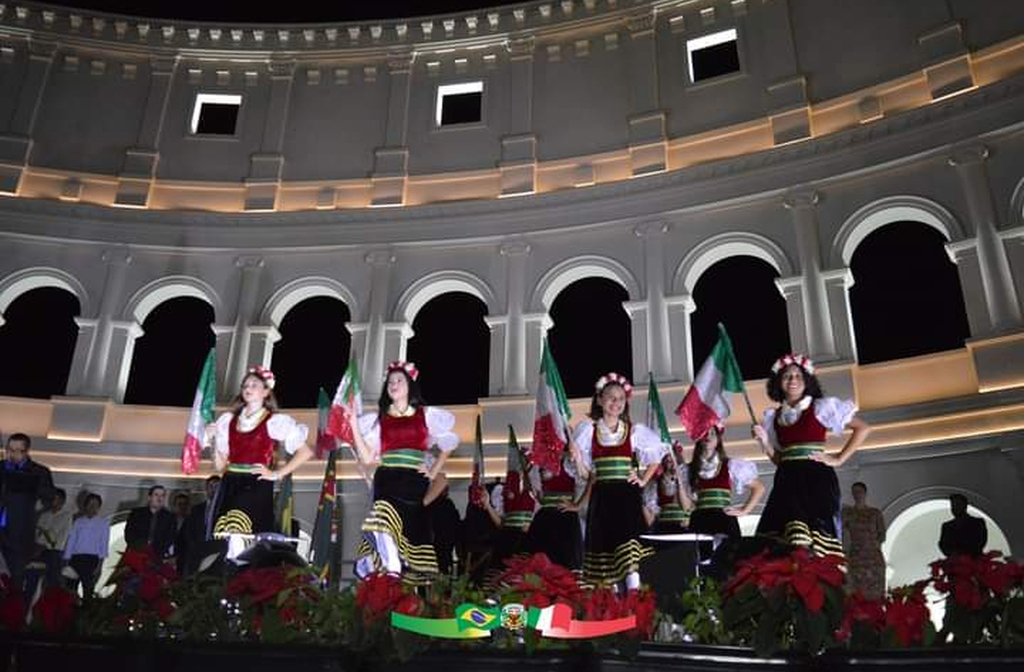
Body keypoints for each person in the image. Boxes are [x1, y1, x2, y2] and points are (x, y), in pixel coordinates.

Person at [345, 361, 459, 584]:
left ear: (410, 386)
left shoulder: (425, 415)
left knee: (405, 531)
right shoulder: (380, 419)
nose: (393, 384)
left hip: (412, 482)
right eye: (390, 381)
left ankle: (398, 571)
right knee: (381, 517)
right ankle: (392, 567)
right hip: (386, 479)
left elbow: (449, 443)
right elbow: (368, 457)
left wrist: (433, 470)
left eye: (399, 380)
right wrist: (353, 425)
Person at [752, 353, 870, 557]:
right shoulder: (774, 417)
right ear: (779, 382)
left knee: (814, 539)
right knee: (783, 538)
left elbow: (863, 428)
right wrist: (766, 443)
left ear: (807, 381)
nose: (793, 380)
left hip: (816, 478)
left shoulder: (821, 407)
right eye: (787, 376)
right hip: (787, 480)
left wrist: (838, 458)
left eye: (798, 376)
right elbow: (780, 461)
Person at [573, 373, 668, 590]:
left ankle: (635, 601)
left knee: (630, 551)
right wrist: (578, 459)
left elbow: (656, 455)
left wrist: (643, 479)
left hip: (626, 496)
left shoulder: (634, 431)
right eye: (611, 398)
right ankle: (610, 604)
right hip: (603, 496)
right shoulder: (588, 431)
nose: (616, 403)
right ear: (599, 400)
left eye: (621, 399)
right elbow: (588, 475)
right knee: (605, 552)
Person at [207, 366, 312, 543]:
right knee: (224, 534)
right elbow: (219, 466)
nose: (247, 388)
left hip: (255, 484)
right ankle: (229, 569)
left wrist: (276, 474)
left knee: (243, 530)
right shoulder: (229, 420)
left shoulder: (274, 421)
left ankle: (247, 568)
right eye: (245, 385)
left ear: (266, 391)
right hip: (229, 482)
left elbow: (305, 452)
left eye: (254, 385)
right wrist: (213, 441)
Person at [0, 433, 56, 590]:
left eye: (18, 450)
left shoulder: (39, 472)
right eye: (9, 449)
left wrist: (31, 487)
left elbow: (50, 498)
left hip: (20, 535)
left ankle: (14, 611)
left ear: (26, 451)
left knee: (16, 579)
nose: (12, 454)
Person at [686, 426, 763, 540]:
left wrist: (744, 510)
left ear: (718, 439)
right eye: (704, 433)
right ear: (698, 437)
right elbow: (686, 504)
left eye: (712, 433)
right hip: (700, 519)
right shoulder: (688, 469)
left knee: (726, 555)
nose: (708, 436)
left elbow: (759, 488)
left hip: (724, 519)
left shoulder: (731, 465)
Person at [525, 449, 584, 571]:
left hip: (564, 517)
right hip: (546, 517)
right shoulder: (541, 459)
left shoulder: (571, 459)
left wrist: (578, 505)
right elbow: (539, 495)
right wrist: (527, 469)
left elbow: (590, 478)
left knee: (565, 564)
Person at [477, 459, 537, 575]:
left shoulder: (537, 490)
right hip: (507, 539)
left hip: (528, 541)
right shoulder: (503, 491)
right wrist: (488, 505)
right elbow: (501, 524)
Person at [24, 488, 72, 599]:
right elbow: (37, 534)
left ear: (62, 501)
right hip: (38, 550)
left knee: (51, 585)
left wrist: (44, 533)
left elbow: (54, 535)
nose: (52, 501)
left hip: (54, 552)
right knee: (30, 580)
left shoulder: (66, 516)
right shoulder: (44, 515)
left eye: (55, 499)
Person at [842, 481, 886, 598]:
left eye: (859, 491)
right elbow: (841, 530)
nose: (857, 494)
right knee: (857, 592)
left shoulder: (874, 513)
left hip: (873, 557)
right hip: (856, 557)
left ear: (865, 493)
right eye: (854, 492)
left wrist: (872, 545)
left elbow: (882, 534)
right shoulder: (848, 513)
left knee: (875, 592)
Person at [63, 493, 109, 601]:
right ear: (85, 505)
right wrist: (66, 559)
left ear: (99, 507)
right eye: (90, 504)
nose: (92, 507)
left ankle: (85, 614)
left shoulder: (103, 523)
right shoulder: (78, 521)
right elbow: (71, 541)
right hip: (75, 559)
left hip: (91, 560)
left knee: (88, 590)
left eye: (95, 504)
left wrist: (99, 566)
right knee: (70, 589)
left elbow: (104, 545)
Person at [178, 475, 223, 576]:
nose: (213, 490)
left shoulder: (225, 509)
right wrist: (194, 548)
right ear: (206, 489)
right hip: (197, 552)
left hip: (217, 553)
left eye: (217, 487)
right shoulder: (196, 509)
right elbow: (189, 532)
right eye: (211, 486)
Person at [643, 443, 692, 533]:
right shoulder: (655, 483)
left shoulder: (687, 480)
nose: (672, 464)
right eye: (669, 461)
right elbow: (650, 519)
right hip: (664, 529)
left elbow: (686, 507)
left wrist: (679, 480)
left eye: (674, 461)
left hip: (684, 529)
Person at [424, 473, 461, 577]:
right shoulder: (448, 505)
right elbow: (455, 526)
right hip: (444, 546)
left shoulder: (427, 503)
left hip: (431, 546)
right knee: (443, 574)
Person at [124, 485, 177, 558]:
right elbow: (129, 534)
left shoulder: (170, 517)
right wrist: (139, 548)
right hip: (137, 553)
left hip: (158, 556)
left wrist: (158, 552)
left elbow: (170, 538)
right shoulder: (137, 513)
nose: (159, 498)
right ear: (149, 497)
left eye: (162, 495)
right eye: (156, 495)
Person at [939, 493, 987, 558]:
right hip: (955, 562)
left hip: (974, 561)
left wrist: (964, 553)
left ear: (965, 506)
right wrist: (953, 554)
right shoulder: (946, 526)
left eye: (958, 505)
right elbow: (943, 545)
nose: (955, 508)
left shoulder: (977, 522)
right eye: (953, 505)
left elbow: (981, 541)